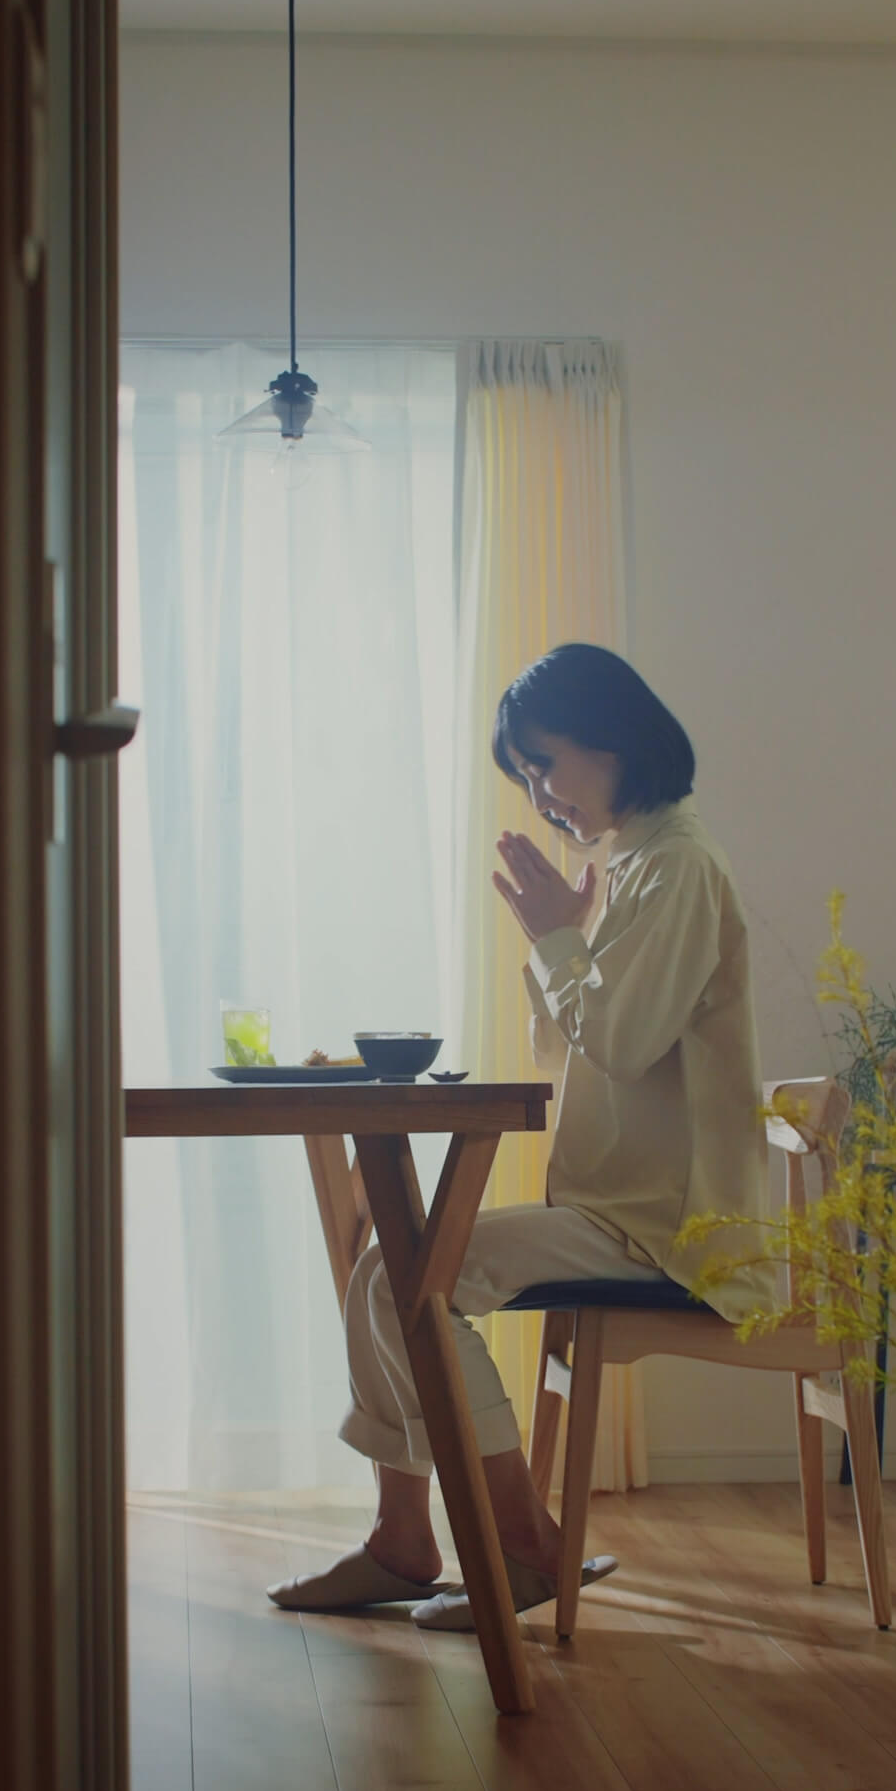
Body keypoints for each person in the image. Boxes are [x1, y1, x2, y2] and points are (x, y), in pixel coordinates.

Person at [269, 642, 771, 1629]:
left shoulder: (677, 868)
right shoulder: (631, 863)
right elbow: (562, 1057)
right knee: (386, 1267)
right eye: (525, 776)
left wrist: (559, 940)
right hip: (619, 1208)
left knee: (404, 1278)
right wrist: (562, 938)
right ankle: (405, 1539)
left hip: (671, 1227)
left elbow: (620, 1044)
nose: (540, 795)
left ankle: (522, 1546)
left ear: (610, 738)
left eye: (544, 765)